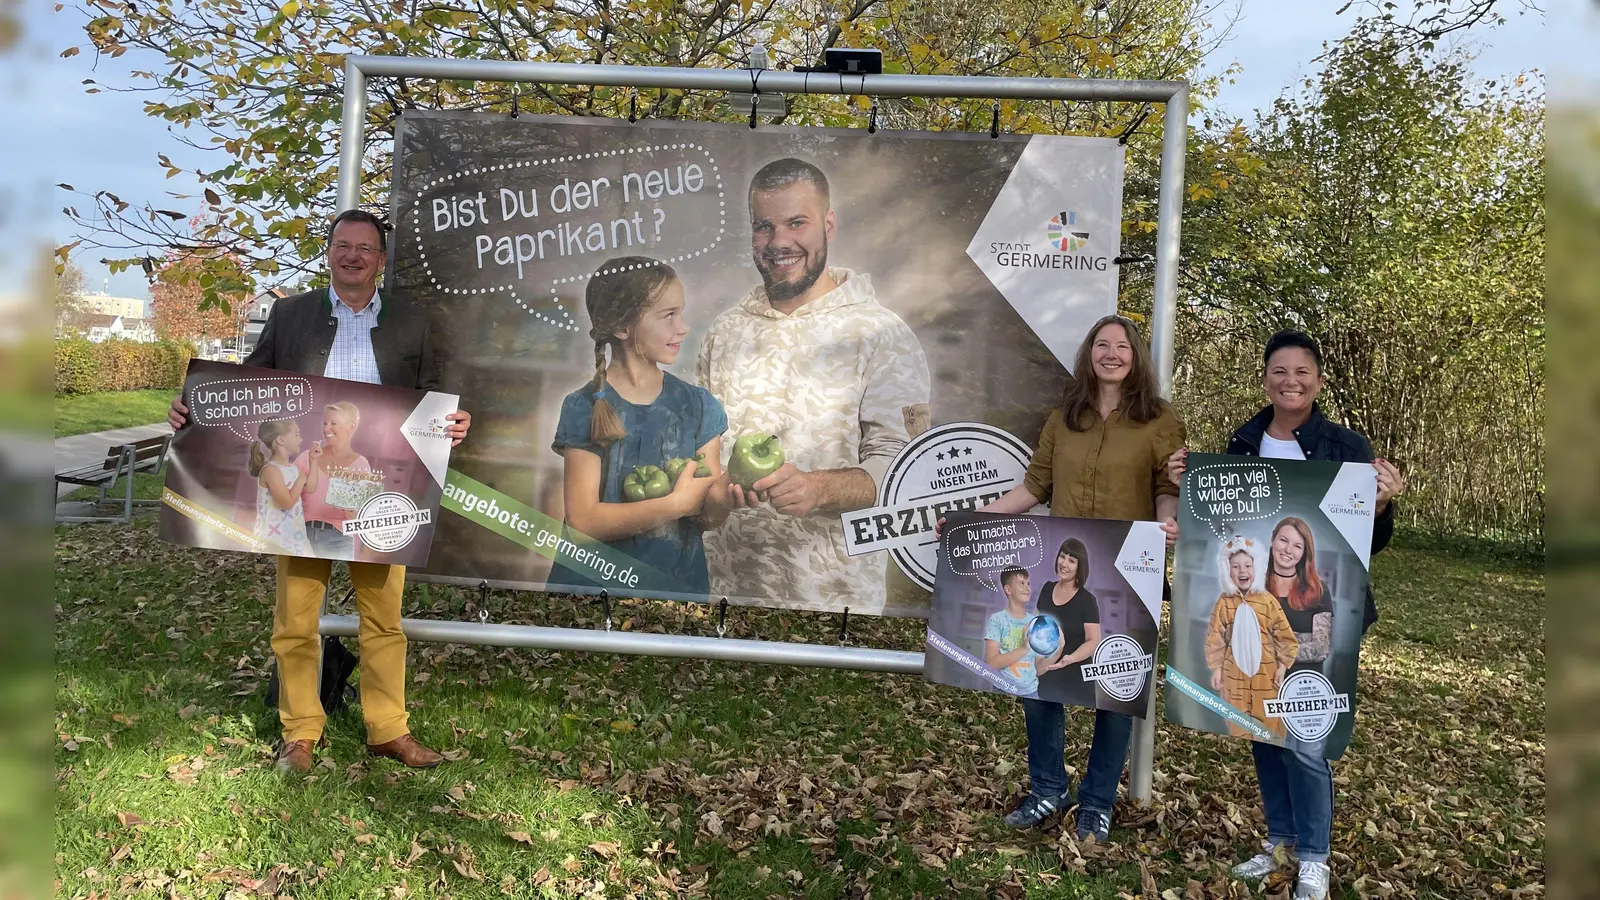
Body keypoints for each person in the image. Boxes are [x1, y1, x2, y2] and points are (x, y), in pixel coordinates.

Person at [167, 209, 472, 775]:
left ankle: (388, 730)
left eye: (364, 248)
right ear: (328, 252)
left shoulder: (415, 322)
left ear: (381, 260)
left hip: (376, 488)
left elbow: (438, 396)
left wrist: (456, 422)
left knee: (383, 618)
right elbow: (249, 390)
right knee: (296, 616)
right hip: (305, 480)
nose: (351, 255)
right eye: (341, 245)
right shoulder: (291, 315)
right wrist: (196, 409)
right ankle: (300, 733)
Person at [1166, 329, 1406, 900]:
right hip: (1257, 629)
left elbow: (1368, 543)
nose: (1290, 381)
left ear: (1319, 381)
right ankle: (1280, 841)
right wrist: (1189, 487)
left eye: (1302, 372)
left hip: (1312, 633)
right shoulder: (1244, 442)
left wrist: (1382, 503)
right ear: (1265, 378)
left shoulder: (1346, 446)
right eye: (1279, 371)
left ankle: (1314, 856)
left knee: (1304, 739)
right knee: (1262, 730)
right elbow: (1225, 526)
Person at [963, 313, 1185, 841]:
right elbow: (1034, 486)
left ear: (1136, 357)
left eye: (1123, 346)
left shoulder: (1161, 419)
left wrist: (1165, 520)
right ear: (1089, 353)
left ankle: (1098, 802)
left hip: (1131, 572)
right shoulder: (1064, 416)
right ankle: (1047, 788)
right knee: (1039, 680)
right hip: (1059, 570)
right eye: (1102, 345)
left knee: (1118, 689)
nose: (1112, 353)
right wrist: (975, 521)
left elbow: (1166, 483)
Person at [697, 158, 932, 613]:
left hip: (834, 608)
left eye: (796, 223)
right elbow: (700, 458)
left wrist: (818, 488)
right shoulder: (723, 333)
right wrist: (716, 494)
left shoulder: (881, 333)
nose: (779, 242)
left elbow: (908, 475)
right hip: (722, 598)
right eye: (764, 226)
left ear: (828, 225)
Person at [551, 257, 726, 593]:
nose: (683, 326)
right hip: (588, 596)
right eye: (668, 315)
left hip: (675, 592)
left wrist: (731, 494)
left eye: (682, 312)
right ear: (622, 327)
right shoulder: (584, 406)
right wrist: (674, 505)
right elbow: (583, 522)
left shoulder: (700, 406)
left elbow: (707, 517)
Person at [1204, 536, 1298, 738]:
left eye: (1247, 565)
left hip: (1267, 675)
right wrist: (1217, 668)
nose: (1242, 571)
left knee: (1270, 725)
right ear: (1227, 570)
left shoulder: (1267, 601)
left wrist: (1282, 667)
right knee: (1237, 720)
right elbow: (1215, 638)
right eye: (1235, 566)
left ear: (1257, 567)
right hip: (1233, 677)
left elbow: (1284, 636)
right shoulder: (1224, 602)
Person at [294, 402, 372, 560]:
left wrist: (348, 505)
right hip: (302, 534)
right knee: (306, 583)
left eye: (333, 423)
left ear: (351, 427)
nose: (326, 429)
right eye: (325, 423)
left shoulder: (360, 465)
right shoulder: (306, 457)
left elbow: (358, 518)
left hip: (339, 539)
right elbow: (289, 497)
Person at [1032, 538, 1101, 709]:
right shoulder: (1047, 588)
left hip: (1075, 675)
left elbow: (1093, 640)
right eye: (1062, 557)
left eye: (1071, 560)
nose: (1064, 563)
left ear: (1080, 567)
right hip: (1047, 669)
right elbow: (1037, 627)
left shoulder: (1087, 600)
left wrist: (1069, 659)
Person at [1266, 517, 1332, 677]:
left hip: (1303, 686)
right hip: (1260, 685)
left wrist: (1272, 648)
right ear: (1272, 541)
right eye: (1283, 540)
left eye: (1297, 546)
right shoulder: (1254, 588)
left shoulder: (1318, 590)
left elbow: (1320, 649)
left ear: (1304, 553)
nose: (1288, 550)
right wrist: (1300, 639)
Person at [248, 420, 319, 557]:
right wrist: (300, 480)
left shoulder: (292, 468)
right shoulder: (271, 471)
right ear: (281, 440)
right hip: (274, 540)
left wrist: (313, 461)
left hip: (295, 537)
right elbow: (287, 503)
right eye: (297, 435)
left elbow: (310, 487)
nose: (301, 439)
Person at [983, 567, 1039, 695]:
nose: (1028, 588)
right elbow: (991, 664)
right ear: (1008, 589)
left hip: (1032, 692)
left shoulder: (1035, 622)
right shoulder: (997, 620)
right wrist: (1023, 649)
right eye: (1021, 583)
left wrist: (1058, 648)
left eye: (1028, 583)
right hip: (1002, 690)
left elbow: (1038, 667)